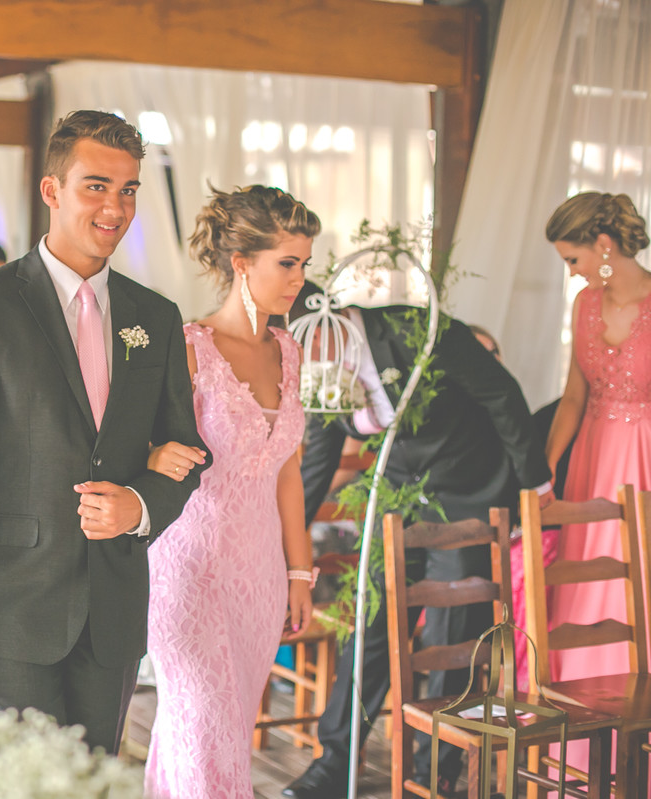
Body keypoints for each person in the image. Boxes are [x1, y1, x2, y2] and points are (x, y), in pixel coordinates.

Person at [0, 110, 208, 754]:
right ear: (52, 190)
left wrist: (140, 505)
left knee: (96, 783)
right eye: (95, 186)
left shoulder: (155, 316)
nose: (115, 208)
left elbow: (188, 452)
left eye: (128, 190)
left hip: (113, 612)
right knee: (28, 787)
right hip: (11, 610)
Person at [283, 281, 553, 799]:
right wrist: (286, 538)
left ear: (322, 325)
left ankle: (436, 773)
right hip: (394, 501)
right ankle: (333, 764)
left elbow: (501, 394)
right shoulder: (318, 368)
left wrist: (533, 485)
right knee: (370, 627)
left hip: (466, 494)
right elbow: (318, 460)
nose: (291, 361)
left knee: (451, 640)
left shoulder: (419, 329)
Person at [140, 185, 316, 797]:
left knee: (226, 736)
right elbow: (141, 449)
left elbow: (287, 472)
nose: (299, 279)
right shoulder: (190, 349)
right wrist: (152, 456)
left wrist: (300, 573)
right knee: (202, 733)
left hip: (260, 579)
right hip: (191, 574)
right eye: (286, 263)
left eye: (304, 264)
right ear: (241, 262)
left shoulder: (288, 351)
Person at [542, 191, 651, 771]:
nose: (572, 272)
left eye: (573, 259)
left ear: (604, 245)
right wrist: (543, 469)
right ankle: (579, 756)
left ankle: (634, 761)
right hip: (589, 465)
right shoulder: (585, 304)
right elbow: (573, 396)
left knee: (638, 596)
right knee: (581, 593)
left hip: (644, 466)